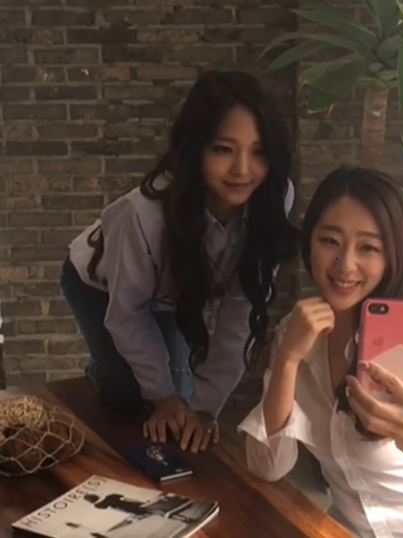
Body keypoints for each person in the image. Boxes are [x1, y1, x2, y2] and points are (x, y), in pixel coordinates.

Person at [239, 167, 403, 537]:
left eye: (368, 248)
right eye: (330, 241)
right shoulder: (296, 333)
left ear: (392, 256)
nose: (345, 264)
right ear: (309, 242)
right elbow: (267, 467)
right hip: (350, 528)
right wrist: (287, 359)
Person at [61, 70, 298, 453]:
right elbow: (127, 313)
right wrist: (161, 397)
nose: (242, 170)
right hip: (98, 285)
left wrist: (206, 408)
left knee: (184, 400)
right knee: (130, 393)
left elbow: (241, 311)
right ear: (195, 148)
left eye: (259, 152)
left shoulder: (273, 197)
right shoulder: (140, 214)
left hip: (175, 290)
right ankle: (104, 368)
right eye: (223, 149)